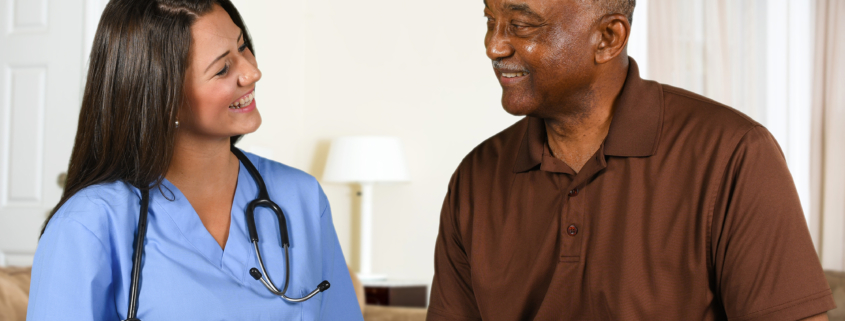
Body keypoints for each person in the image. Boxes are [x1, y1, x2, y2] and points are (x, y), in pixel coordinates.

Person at [427, 0, 835, 320]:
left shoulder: (733, 153)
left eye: (521, 25)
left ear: (607, 38)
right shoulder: (475, 177)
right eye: (489, 20)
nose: (493, 46)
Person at [26, 1, 362, 320]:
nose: (252, 73)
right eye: (222, 69)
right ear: (161, 94)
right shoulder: (89, 225)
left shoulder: (300, 197)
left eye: (243, 47)